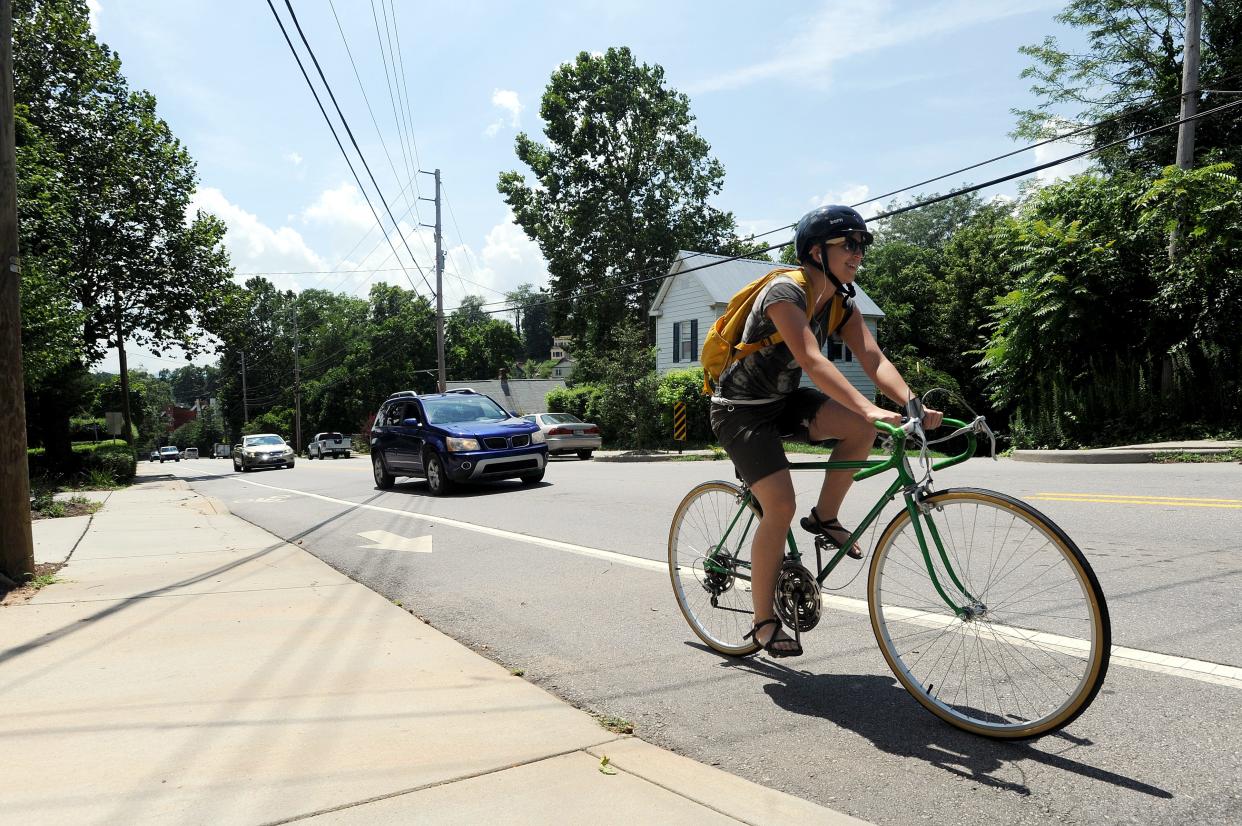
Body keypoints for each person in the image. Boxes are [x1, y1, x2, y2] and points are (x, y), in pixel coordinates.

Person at [709, 204, 943, 657]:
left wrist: (910, 403)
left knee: (860, 427)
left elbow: (873, 360)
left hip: (781, 402)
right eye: (849, 244)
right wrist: (869, 407)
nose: (859, 253)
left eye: (862, 245)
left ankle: (825, 518)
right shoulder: (784, 292)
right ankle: (763, 622)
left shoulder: (840, 302)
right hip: (740, 410)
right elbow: (813, 359)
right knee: (779, 505)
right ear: (817, 252)